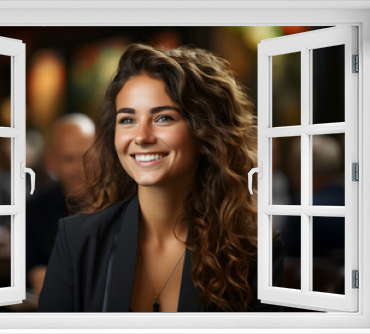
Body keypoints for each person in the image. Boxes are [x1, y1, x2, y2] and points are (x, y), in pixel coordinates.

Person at [39, 44, 283, 312]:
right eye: (128, 120)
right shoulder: (76, 242)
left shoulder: (252, 250)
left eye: (163, 118)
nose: (142, 137)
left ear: (205, 132)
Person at [26, 113, 95, 302]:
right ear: (51, 161)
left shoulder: (123, 205)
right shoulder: (33, 210)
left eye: (86, 157)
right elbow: (34, 271)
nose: (80, 168)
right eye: (69, 159)